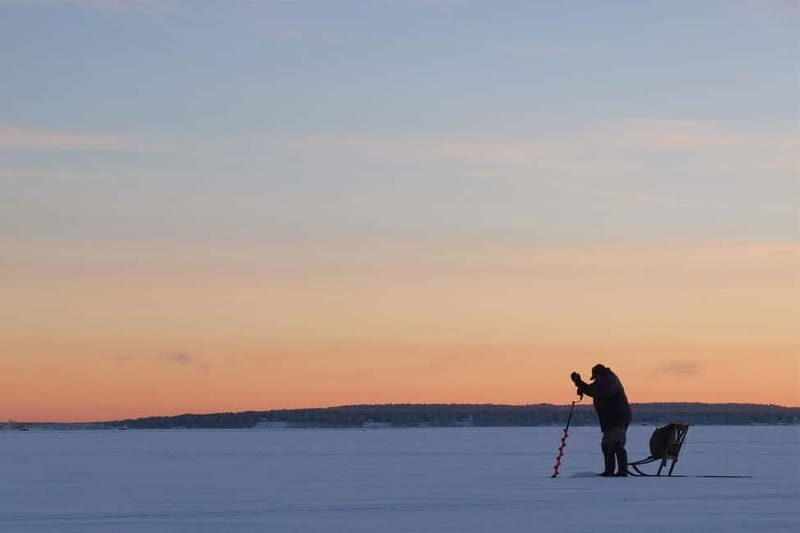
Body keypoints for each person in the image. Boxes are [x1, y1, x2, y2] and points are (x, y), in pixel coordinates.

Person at [571, 364, 631, 477]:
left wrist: (582, 386)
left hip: (618, 418)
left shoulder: (610, 380)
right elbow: (592, 390)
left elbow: (600, 391)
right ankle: (609, 470)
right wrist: (580, 383)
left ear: (600, 374)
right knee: (606, 445)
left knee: (617, 444)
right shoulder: (602, 381)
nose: (595, 379)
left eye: (596, 377)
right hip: (609, 419)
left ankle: (622, 472)